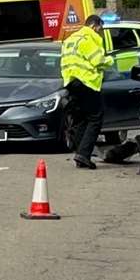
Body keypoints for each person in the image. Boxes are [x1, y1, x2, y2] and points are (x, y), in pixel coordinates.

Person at [60, 14, 107, 169]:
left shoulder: (70, 39)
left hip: (71, 82)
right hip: (87, 82)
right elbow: (98, 61)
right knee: (95, 118)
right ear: (94, 26)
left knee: (81, 118)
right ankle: (83, 154)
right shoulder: (90, 38)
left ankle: (80, 152)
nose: (100, 32)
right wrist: (110, 61)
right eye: (100, 28)